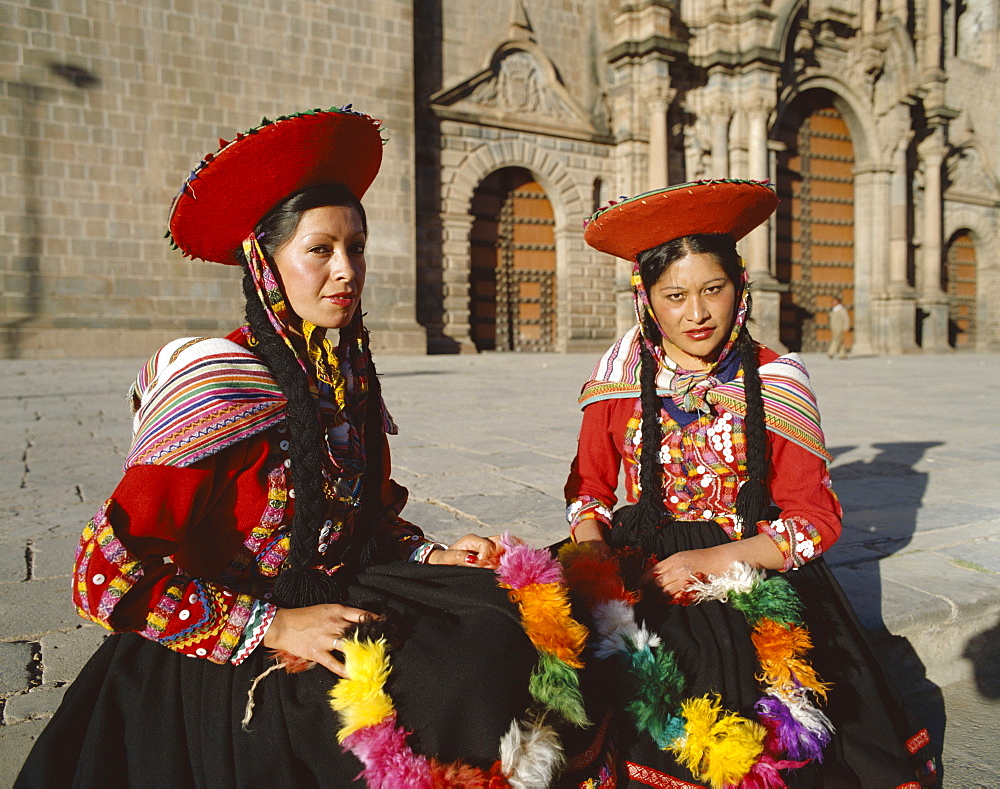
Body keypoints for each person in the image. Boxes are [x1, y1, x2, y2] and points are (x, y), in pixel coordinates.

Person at [16, 106, 588, 788]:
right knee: (447, 686)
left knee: (498, 620)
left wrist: (427, 551)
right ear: (267, 262)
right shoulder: (218, 387)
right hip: (233, 640)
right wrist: (273, 626)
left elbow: (362, 523)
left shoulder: (344, 374)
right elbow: (98, 575)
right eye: (320, 250)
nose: (345, 270)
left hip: (336, 589)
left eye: (356, 247)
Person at [557, 181, 936, 788]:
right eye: (674, 295)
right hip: (641, 549)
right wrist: (595, 551)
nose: (697, 314)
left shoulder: (778, 380)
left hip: (748, 557)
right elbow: (590, 487)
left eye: (713, 289)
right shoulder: (621, 376)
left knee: (730, 674)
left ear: (741, 289)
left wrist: (711, 559)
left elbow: (814, 520)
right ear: (646, 301)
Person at [827, 294, 850, 359]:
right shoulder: (833, 310)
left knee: (836, 340)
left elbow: (846, 319)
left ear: (838, 302)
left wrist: (846, 327)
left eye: (835, 301)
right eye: (832, 301)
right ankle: (842, 354)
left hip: (840, 328)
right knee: (840, 341)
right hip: (834, 328)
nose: (833, 303)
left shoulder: (842, 310)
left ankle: (831, 352)